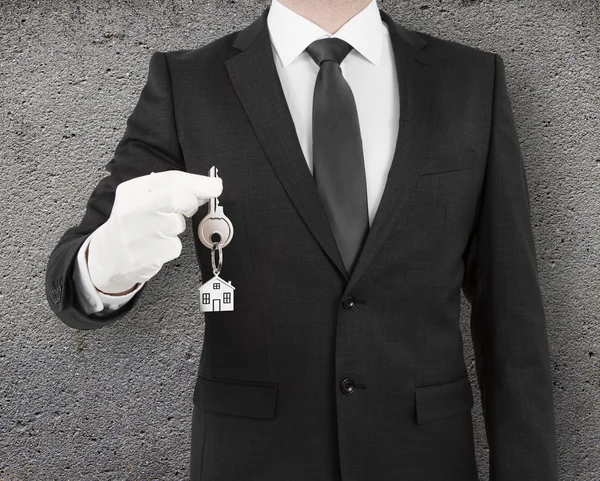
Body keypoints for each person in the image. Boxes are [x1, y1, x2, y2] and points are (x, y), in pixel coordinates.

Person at [45, 0, 559, 479]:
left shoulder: (470, 80)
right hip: (251, 457)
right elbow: (73, 269)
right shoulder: (189, 82)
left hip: (423, 456)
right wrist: (106, 267)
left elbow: (510, 312)